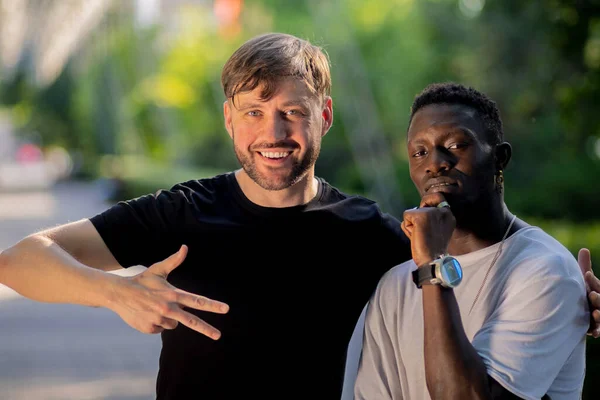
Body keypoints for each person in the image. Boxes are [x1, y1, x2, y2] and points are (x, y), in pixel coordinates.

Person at [0, 33, 597, 399]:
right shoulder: (180, 211)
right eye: (254, 112)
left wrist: (576, 303)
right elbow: (19, 260)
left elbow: (453, 283)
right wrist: (113, 293)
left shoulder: (370, 232)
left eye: (292, 111)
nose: (274, 132)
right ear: (230, 119)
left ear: (325, 115)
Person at [345, 82, 594, 400]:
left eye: (456, 145)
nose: (434, 162)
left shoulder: (547, 271)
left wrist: (433, 268)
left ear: (499, 159)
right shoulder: (394, 284)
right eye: (419, 152)